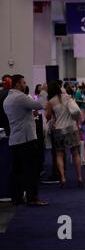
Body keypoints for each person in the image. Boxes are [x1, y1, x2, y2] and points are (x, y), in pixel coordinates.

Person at [3, 74, 48, 206]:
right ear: (17, 84)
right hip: (26, 139)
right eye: (23, 82)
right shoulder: (20, 97)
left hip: (15, 139)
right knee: (31, 170)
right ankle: (32, 198)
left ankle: (16, 198)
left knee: (16, 170)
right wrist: (43, 91)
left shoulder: (8, 99)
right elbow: (40, 105)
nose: (25, 85)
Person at [45, 81, 84, 188]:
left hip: (59, 130)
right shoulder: (68, 97)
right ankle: (79, 177)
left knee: (59, 154)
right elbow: (75, 111)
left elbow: (47, 116)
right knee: (75, 153)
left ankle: (62, 177)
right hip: (72, 128)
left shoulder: (50, 102)